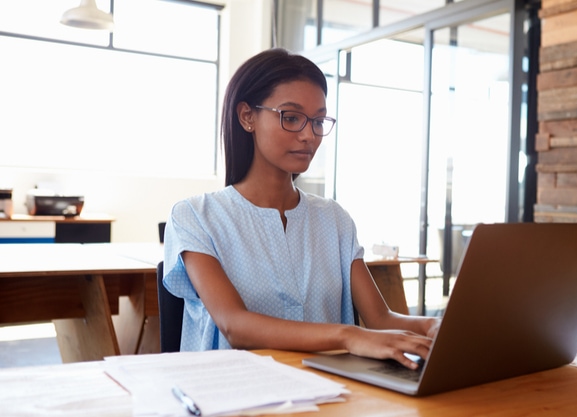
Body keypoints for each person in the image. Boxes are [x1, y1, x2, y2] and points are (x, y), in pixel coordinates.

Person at [163, 48, 440, 369]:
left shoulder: (334, 219)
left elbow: (379, 318)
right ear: (247, 117)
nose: (310, 135)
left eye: (319, 120)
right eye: (291, 117)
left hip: (330, 392)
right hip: (234, 394)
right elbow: (234, 325)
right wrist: (348, 336)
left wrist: (430, 326)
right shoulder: (196, 216)